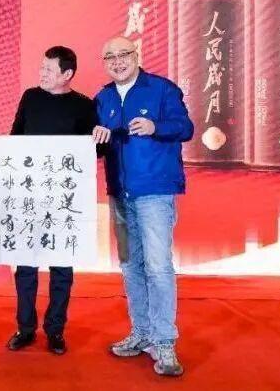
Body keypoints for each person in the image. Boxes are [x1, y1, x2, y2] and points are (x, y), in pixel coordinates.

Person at [92, 36, 194, 377]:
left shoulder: (162, 89)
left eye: (123, 54)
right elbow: (98, 146)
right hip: (119, 192)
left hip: (154, 191)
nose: (117, 61)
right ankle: (142, 332)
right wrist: (95, 138)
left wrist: (155, 127)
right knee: (130, 266)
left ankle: (164, 342)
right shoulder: (103, 97)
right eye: (110, 57)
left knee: (158, 266)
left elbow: (186, 127)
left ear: (137, 55)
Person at [6, 46, 98, 355]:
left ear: (67, 74)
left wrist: (101, 138)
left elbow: (93, 152)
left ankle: (55, 329)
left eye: (49, 69)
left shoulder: (84, 106)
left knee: (62, 268)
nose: (42, 73)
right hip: (28, 194)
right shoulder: (31, 98)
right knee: (25, 266)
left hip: (64, 200)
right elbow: (15, 138)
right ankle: (25, 328)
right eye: (42, 67)